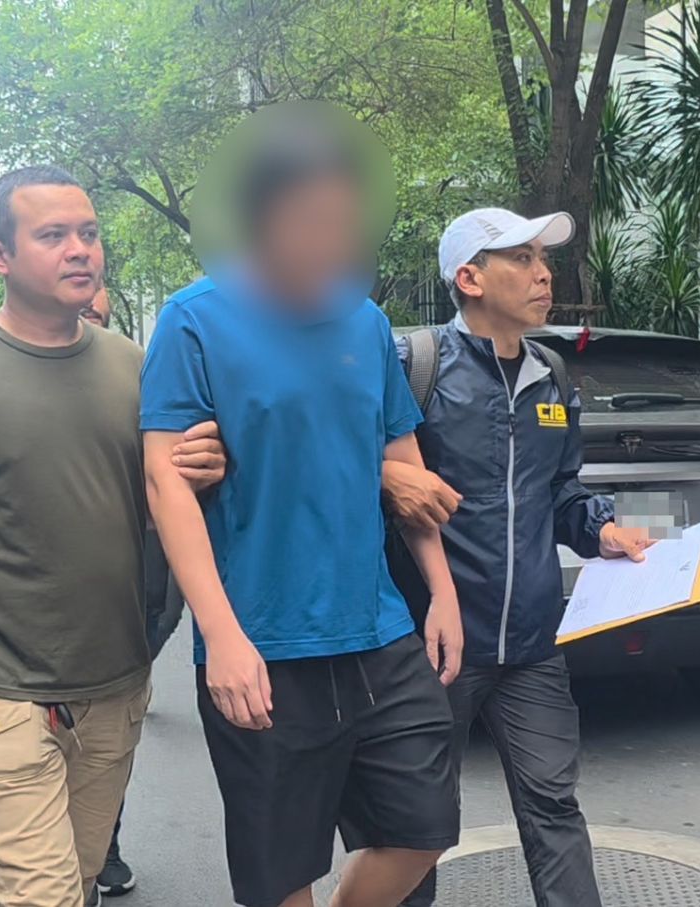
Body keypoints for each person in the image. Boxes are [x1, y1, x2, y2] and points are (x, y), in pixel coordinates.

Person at [140, 105, 464, 907]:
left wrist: (442, 592)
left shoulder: (365, 320)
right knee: (282, 874)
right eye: (314, 218)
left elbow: (404, 464)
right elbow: (166, 482)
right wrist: (221, 635)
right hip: (262, 636)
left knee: (424, 827)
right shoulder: (193, 321)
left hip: (377, 628)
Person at [0, 165, 226, 907]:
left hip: (115, 677)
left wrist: (197, 469)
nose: (80, 250)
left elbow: (153, 505)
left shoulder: (134, 367)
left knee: (81, 875)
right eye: (54, 235)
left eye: (89, 233)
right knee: (44, 895)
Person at [384, 207, 654, 907]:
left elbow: (561, 490)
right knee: (417, 826)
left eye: (544, 259)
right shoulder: (415, 367)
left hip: (533, 645)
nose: (544, 274)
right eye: (523, 258)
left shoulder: (551, 374)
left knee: (555, 806)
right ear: (469, 279)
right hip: (435, 643)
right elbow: (368, 477)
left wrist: (602, 531)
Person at [73, 281, 142, 898]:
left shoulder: (133, 373)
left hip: (128, 602)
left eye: (97, 314)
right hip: (30, 625)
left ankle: (101, 846)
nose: (88, 323)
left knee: (109, 740)